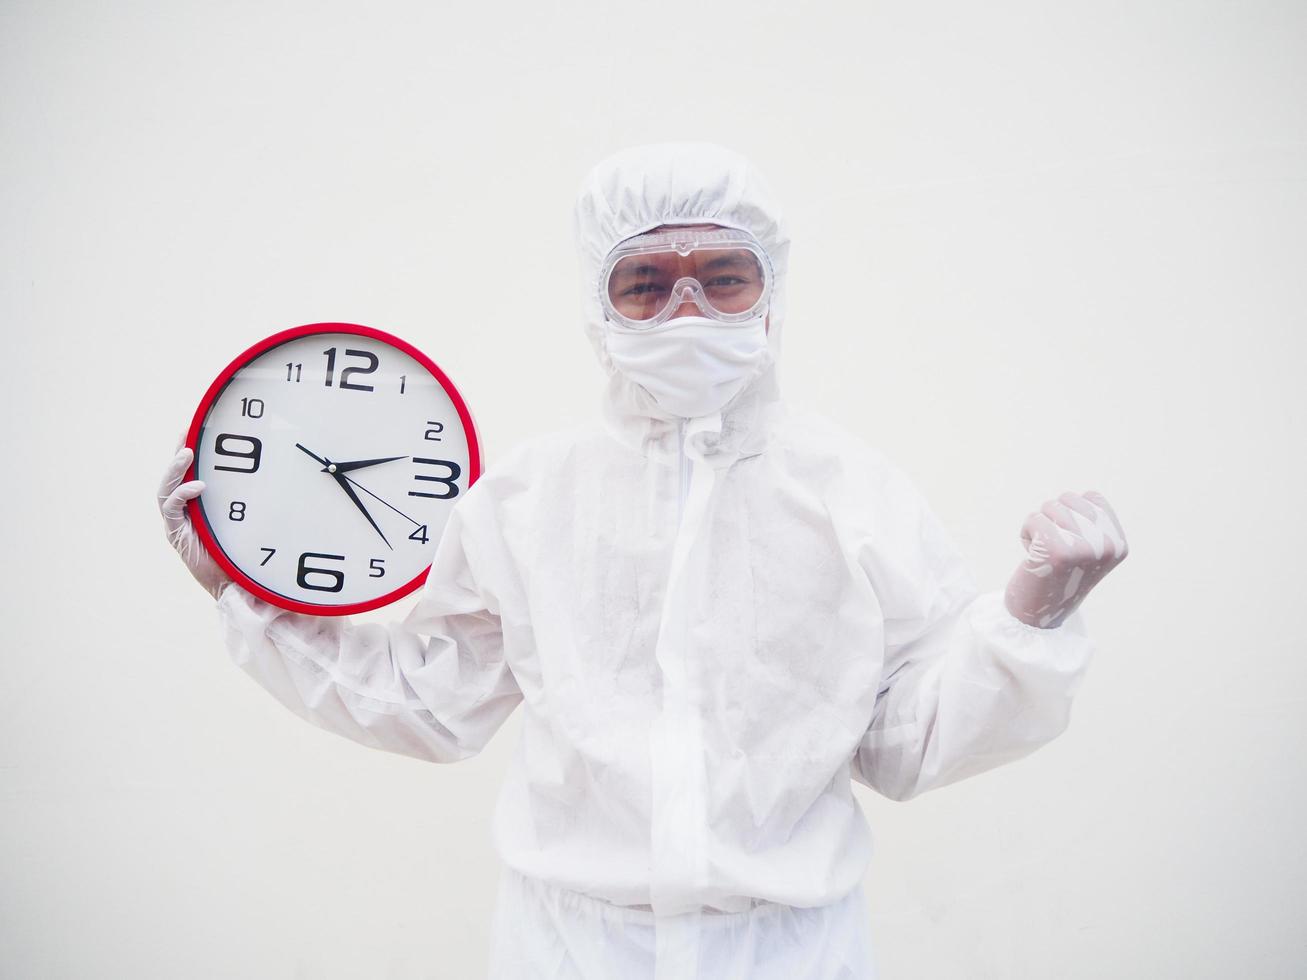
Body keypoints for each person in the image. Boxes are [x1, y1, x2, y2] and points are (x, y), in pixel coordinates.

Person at [157, 142, 1128, 979]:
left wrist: (1027, 616)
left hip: (788, 947)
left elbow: (900, 743)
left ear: (770, 292)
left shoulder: (851, 492)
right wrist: (246, 595)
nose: (686, 308)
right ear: (600, 304)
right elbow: (432, 703)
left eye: (723, 274)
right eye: (645, 282)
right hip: (569, 946)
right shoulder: (531, 498)